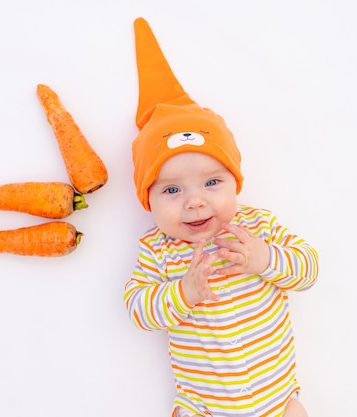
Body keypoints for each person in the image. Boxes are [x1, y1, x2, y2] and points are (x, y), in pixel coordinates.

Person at [123, 18, 319, 417]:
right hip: (203, 406)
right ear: (148, 199)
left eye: (211, 183)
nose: (194, 203)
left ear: (235, 183)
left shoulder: (258, 227)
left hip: (278, 400)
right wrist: (184, 292)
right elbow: (138, 309)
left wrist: (265, 259)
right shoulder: (157, 250)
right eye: (172, 190)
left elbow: (309, 268)